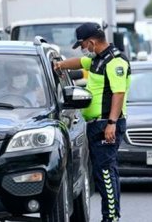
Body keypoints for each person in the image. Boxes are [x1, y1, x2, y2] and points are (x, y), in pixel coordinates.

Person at [54, 22, 131, 222]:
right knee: (106, 170)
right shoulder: (98, 59)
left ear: (91, 41)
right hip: (98, 124)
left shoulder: (115, 61)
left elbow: (118, 93)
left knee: (105, 172)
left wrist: (111, 123)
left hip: (106, 123)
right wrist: (60, 65)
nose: (83, 49)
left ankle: (110, 217)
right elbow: (80, 62)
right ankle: (111, 216)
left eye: (83, 44)